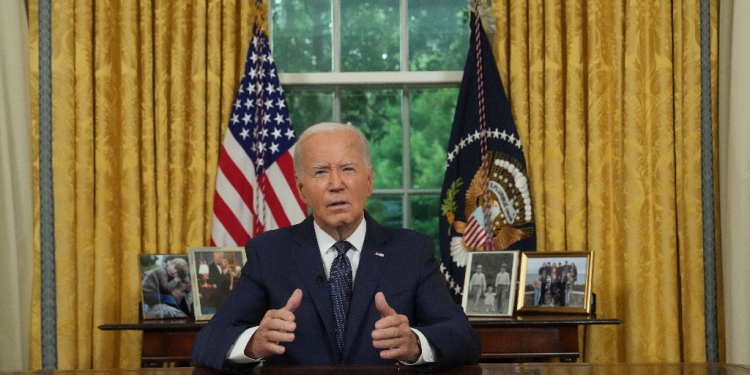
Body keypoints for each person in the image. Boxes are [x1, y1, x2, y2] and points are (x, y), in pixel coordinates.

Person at [191, 123, 481, 372]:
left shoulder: (411, 250)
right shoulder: (268, 253)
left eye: (348, 169)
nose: (336, 184)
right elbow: (207, 342)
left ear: (369, 181)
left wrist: (415, 344)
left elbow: (462, 338)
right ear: (301, 189)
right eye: (320, 172)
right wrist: (254, 343)